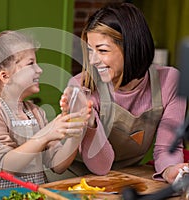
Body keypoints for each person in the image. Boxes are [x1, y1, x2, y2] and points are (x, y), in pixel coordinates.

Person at [0, 25, 90, 199]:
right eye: (31, 63)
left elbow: (58, 165)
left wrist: (76, 129)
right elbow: (4, 164)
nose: (39, 70)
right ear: (5, 76)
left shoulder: (36, 112)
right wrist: (46, 134)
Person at [66, 2, 188, 184]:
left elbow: (166, 149)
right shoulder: (82, 86)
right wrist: (90, 121)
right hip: (74, 179)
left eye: (102, 50)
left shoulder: (168, 81)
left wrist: (172, 171)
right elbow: (100, 167)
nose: (92, 60)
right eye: (90, 51)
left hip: (123, 178)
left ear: (131, 48)